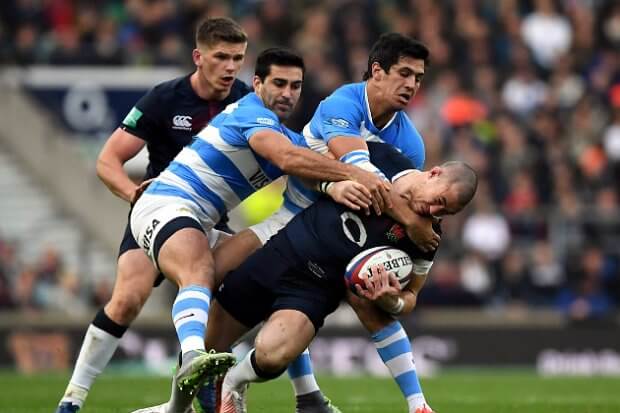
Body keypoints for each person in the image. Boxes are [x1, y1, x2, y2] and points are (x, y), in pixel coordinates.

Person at [127, 47, 389, 413]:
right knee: (199, 270)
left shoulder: (290, 138)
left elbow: (309, 172)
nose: (287, 92)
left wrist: (335, 186)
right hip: (164, 204)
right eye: (278, 83)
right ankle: (193, 357)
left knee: (269, 270)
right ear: (256, 84)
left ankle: (298, 394)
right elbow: (287, 159)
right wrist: (355, 173)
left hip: (199, 221)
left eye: (295, 86)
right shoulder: (252, 114)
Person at [199, 32, 438, 413]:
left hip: (344, 236)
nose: (411, 84)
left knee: (371, 297)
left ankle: (416, 403)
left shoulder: (410, 142)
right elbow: (361, 172)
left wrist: (404, 244)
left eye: (418, 77)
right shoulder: (343, 102)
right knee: (207, 274)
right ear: (377, 72)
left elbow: (405, 195)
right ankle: (194, 388)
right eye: (404, 73)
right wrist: (410, 219)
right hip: (291, 217)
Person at [55, 17, 251, 413]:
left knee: (248, 289)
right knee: (127, 300)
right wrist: (133, 194)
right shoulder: (165, 98)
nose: (231, 67)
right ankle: (72, 399)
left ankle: (203, 395)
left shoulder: (246, 100)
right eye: (221, 57)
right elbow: (109, 159)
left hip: (211, 217)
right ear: (198, 57)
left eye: (238, 58)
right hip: (160, 213)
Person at [211, 143, 478, 413]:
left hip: (314, 289)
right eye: (440, 201)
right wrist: (333, 186)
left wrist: (391, 300)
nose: (434, 211)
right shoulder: (381, 156)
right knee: (206, 347)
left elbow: (411, 298)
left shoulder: (428, 237)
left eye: (445, 212)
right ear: (433, 174)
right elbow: (312, 163)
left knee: (272, 357)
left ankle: (235, 380)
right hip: (282, 251)